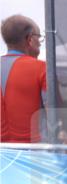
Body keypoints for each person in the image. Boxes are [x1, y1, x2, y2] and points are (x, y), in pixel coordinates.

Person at [1, 14, 47, 143]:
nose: (40, 43)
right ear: (30, 39)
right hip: (33, 155)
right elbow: (55, 114)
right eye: (39, 37)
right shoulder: (41, 68)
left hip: (3, 155)